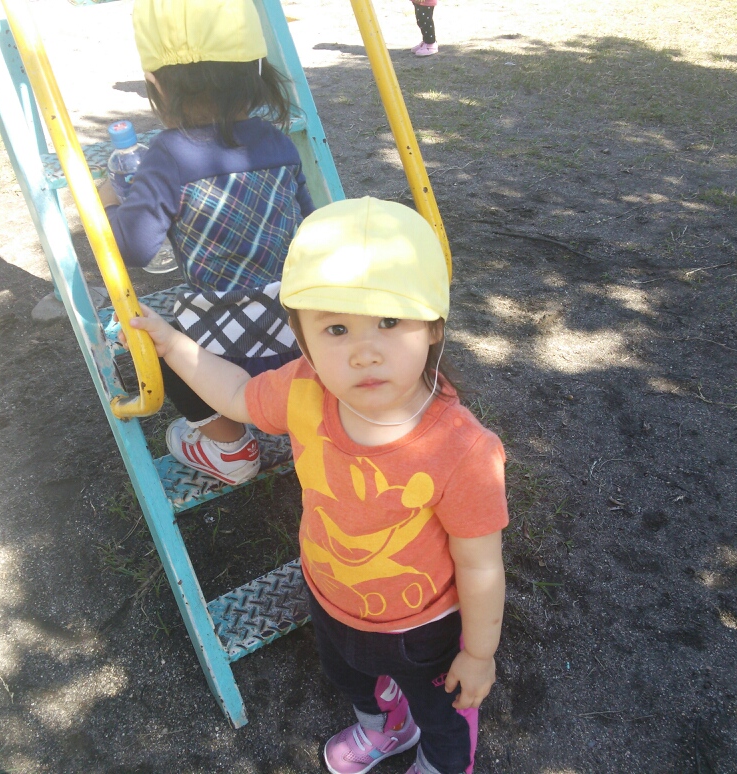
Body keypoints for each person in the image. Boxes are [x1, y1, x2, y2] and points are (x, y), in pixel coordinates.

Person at [123, 197, 508, 774]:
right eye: (336, 328)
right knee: (348, 675)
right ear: (302, 338)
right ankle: (386, 727)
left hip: (423, 628)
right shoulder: (305, 388)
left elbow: (480, 564)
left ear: (433, 324)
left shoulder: (462, 450)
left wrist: (478, 653)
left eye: (389, 321)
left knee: (443, 711)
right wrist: (174, 345)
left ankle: (442, 762)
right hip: (329, 594)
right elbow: (236, 395)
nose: (364, 352)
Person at [99, 0, 314, 485]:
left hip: (221, 353)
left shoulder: (168, 155)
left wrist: (107, 206)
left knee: (154, 337)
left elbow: (136, 248)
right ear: (256, 73)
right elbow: (312, 224)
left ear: (156, 83)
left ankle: (229, 446)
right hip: (302, 336)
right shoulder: (278, 143)